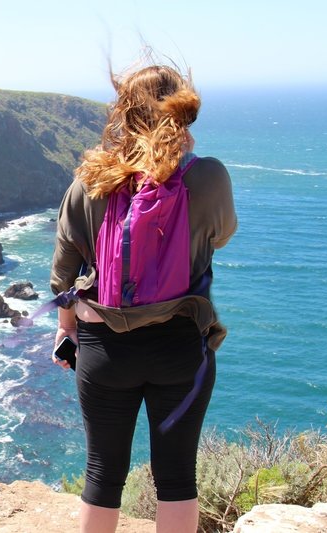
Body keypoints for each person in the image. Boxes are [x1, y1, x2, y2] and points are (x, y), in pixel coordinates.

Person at [49, 63, 237, 532]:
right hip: (180, 348)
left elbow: (63, 277)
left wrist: (66, 329)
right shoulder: (208, 177)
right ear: (182, 113)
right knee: (176, 477)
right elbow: (221, 236)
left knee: (102, 474)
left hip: (104, 349)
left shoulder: (89, 182)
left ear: (123, 113)